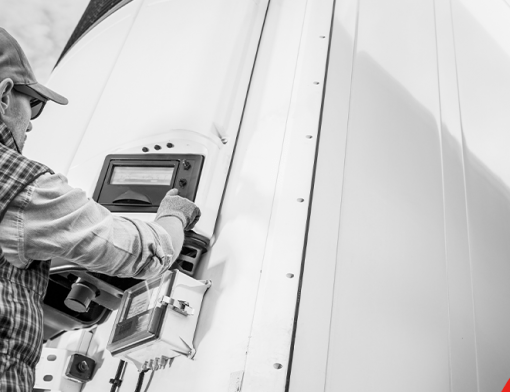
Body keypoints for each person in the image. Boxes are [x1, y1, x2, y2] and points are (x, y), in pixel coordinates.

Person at [0, 28, 200, 391]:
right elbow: (145, 254)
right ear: (3, 97)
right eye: (35, 105)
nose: (30, 123)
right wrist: (174, 215)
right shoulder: (16, 182)